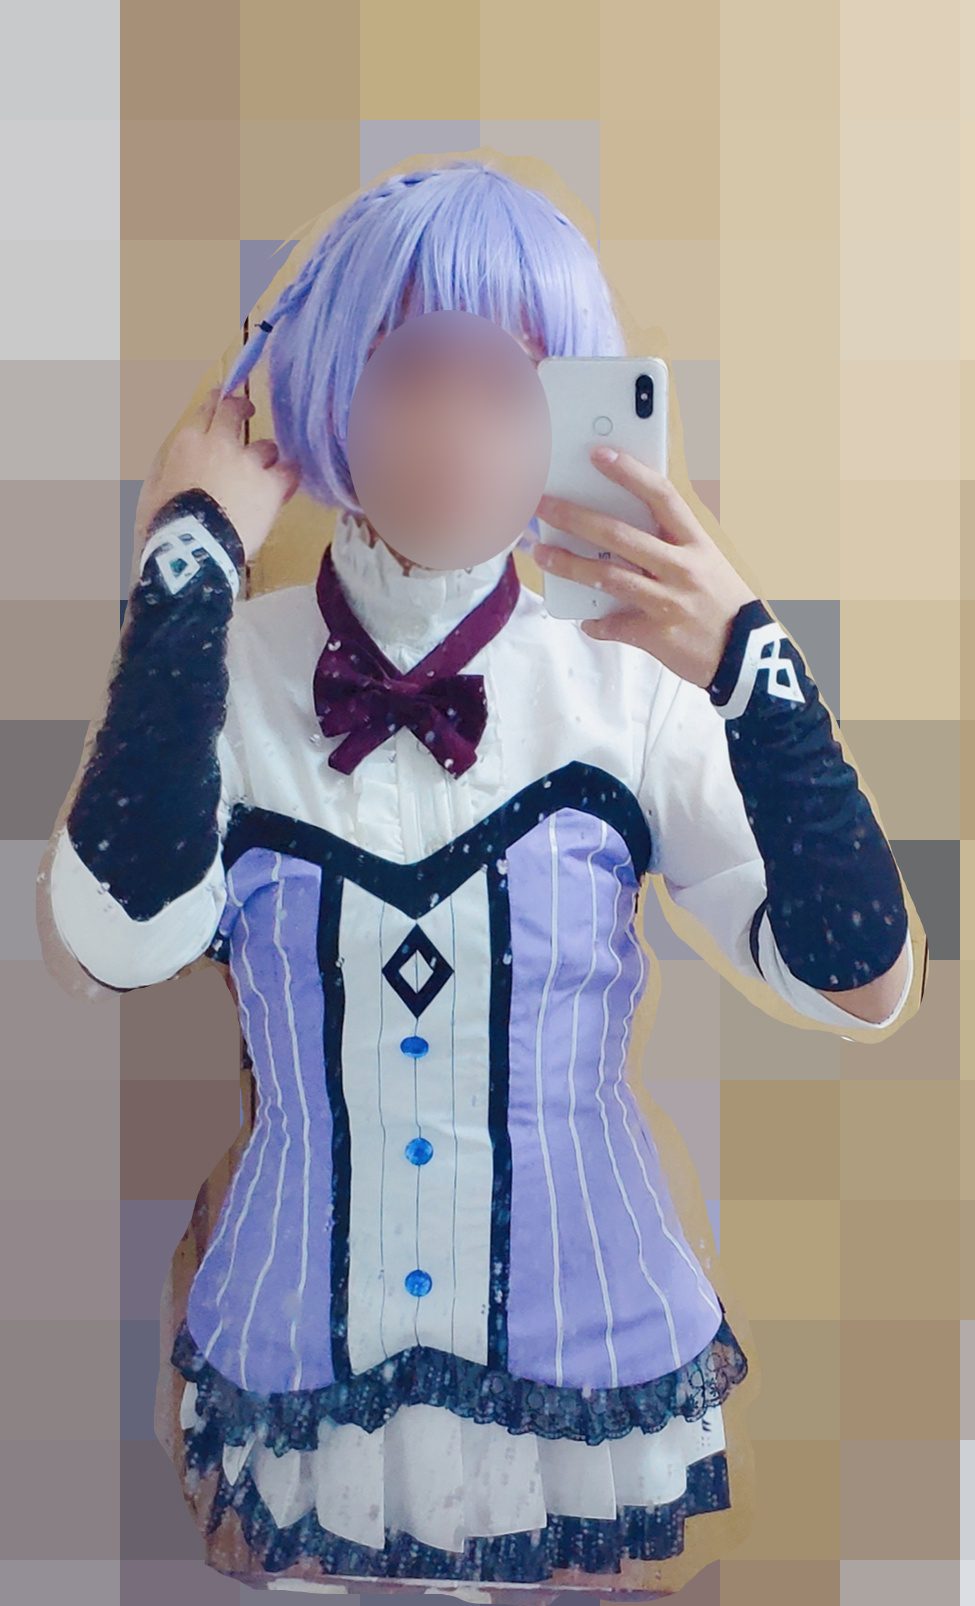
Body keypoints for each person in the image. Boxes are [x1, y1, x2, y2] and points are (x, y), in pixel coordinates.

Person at [42, 159, 917, 1598]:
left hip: (585, 1381)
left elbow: (860, 979)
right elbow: (112, 939)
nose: (455, 430)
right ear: (324, 390)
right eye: (405, 371)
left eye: (510, 385)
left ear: (574, 412)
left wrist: (752, 665)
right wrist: (187, 561)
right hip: (302, 1379)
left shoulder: (631, 684)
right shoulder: (228, 667)